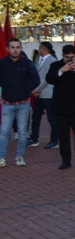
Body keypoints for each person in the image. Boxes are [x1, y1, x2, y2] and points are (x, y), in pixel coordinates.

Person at [0, 38, 40, 167]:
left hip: (23, 103)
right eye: (12, 47)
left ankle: (19, 157)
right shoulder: (2, 63)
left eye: (18, 47)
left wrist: (25, 91)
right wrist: (4, 89)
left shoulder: (27, 63)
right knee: (4, 132)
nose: (15, 49)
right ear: (8, 49)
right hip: (7, 103)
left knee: (22, 132)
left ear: (21, 49)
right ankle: (1, 157)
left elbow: (36, 80)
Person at [28, 41, 59, 149]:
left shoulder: (52, 61)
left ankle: (55, 140)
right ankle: (34, 139)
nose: (39, 50)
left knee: (52, 118)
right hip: (40, 94)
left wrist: (36, 90)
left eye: (39, 48)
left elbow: (47, 79)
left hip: (48, 94)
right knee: (36, 117)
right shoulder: (44, 60)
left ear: (44, 49)